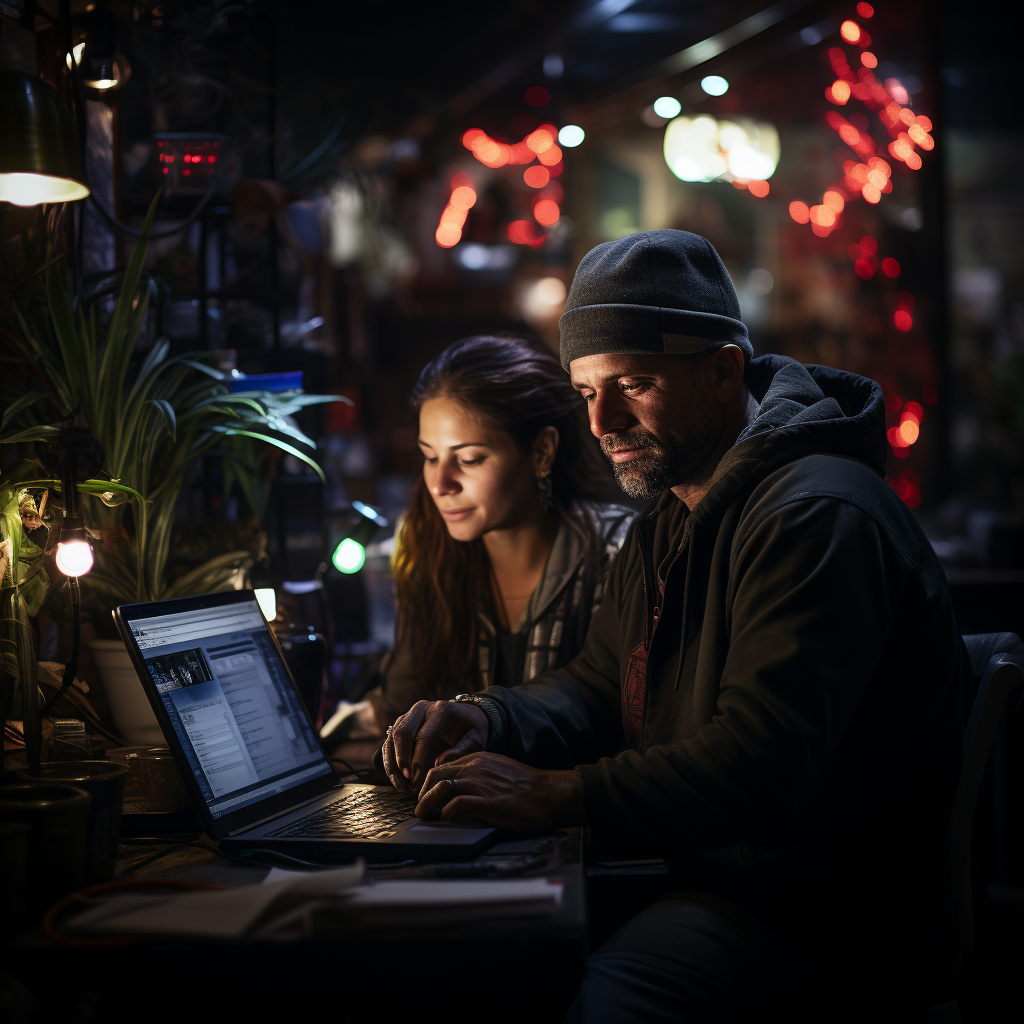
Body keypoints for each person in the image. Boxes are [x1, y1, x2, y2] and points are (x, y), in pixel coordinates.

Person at [382, 231, 969, 1021]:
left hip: (818, 918)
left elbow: (757, 760)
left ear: (724, 370)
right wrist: (487, 715)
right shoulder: (674, 510)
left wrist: (557, 793)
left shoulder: (814, 514)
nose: (604, 420)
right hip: (714, 875)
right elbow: (595, 684)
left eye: (633, 383)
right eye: (587, 392)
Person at [362, 335, 634, 732]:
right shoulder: (426, 547)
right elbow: (401, 708)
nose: (440, 484)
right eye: (430, 457)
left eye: (469, 459)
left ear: (541, 452)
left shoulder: (618, 553)